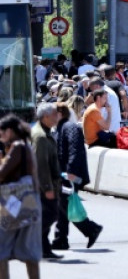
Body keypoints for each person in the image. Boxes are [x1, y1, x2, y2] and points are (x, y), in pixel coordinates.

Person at [51, 101, 102, 251]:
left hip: (72, 175)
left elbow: (75, 151)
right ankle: (61, 239)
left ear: (60, 114)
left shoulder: (70, 127)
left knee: (66, 205)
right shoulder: (59, 129)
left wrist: (70, 173)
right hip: (64, 174)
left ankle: (90, 229)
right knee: (63, 206)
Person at [0, 115, 42, 279]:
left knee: (1, 248)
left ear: (9, 131)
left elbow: (3, 173)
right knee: (29, 250)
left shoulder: (17, 147)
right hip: (29, 201)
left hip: (14, 202)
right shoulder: (26, 146)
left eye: (1, 133)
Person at [30, 103, 61, 260]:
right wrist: (47, 187)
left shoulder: (46, 133)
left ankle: (43, 248)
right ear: (46, 117)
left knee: (46, 215)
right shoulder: (40, 136)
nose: (57, 117)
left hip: (48, 183)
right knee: (50, 214)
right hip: (43, 186)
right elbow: (40, 164)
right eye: (55, 114)